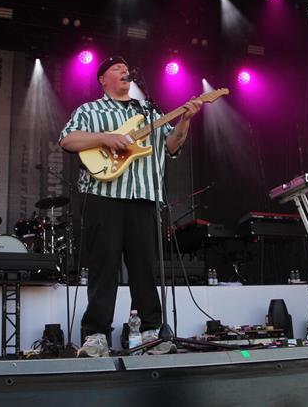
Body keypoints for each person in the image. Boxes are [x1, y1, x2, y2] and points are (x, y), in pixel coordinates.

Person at [59, 57, 202, 357]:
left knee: (145, 269)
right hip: (104, 197)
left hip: (145, 199)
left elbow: (172, 146)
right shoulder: (90, 110)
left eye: (126, 67)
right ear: (102, 79)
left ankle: (152, 332)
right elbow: (68, 140)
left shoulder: (149, 111)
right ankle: (96, 336)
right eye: (116, 68)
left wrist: (185, 120)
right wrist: (106, 138)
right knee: (104, 268)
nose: (125, 70)